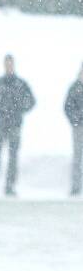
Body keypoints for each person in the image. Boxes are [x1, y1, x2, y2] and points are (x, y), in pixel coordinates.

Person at [0, 54, 35, 197]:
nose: (9, 66)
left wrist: (18, 109)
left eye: (11, 64)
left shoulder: (21, 84)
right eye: (7, 64)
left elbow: (31, 101)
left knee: (13, 157)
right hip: (0, 125)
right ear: (4, 65)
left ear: (14, 65)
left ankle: (10, 186)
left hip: (15, 126)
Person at [64, 63, 83, 196]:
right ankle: (76, 186)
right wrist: (75, 120)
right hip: (78, 128)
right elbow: (67, 106)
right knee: (77, 157)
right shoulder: (75, 87)